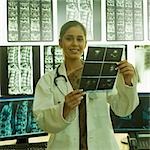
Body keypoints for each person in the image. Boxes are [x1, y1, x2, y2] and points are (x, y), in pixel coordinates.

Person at [33, 20, 139, 150]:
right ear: (60, 43)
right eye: (69, 39)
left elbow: (123, 110)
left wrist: (128, 82)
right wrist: (64, 108)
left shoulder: (101, 73)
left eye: (79, 39)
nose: (75, 44)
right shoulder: (48, 80)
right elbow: (42, 121)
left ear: (85, 44)